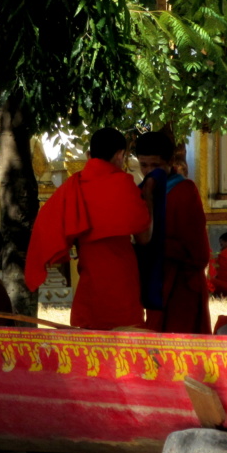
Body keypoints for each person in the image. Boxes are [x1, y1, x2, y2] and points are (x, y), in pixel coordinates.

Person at [25, 128, 151, 330]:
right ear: (120, 155)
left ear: (88, 156)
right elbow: (144, 237)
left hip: (90, 279)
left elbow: (47, 227)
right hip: (121, 278)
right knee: (126, 345)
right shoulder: (124, 184)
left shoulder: (74, 185)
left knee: (89, 344)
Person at [134, 131, 211, 334]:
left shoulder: (185, 191)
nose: (149, 171)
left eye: (155, 165)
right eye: (144, 165)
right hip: (154, 288)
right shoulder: (139, 192)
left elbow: (200, 255)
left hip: (182, 290)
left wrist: (155, 246)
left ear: (170, 162)